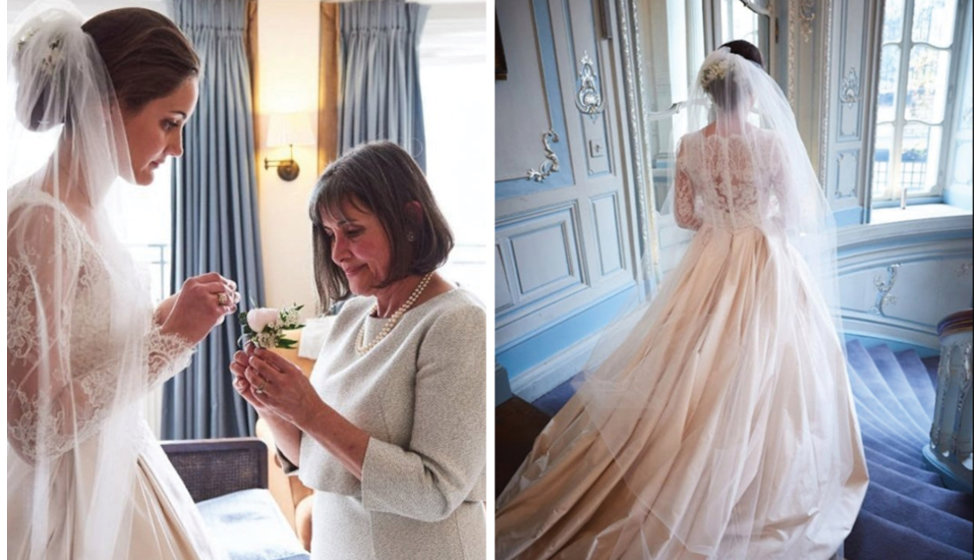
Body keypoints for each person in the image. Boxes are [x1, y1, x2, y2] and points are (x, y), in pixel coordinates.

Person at [495, 41, 869, 559]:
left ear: (710, 90)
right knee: (770, 362)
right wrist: (761, 224)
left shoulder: (690, 143)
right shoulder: (772, 145)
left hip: (710, 258)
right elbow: (798, 214)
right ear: (755, 87)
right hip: (764, 259)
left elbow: (685, 218)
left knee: (687, 356)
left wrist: (722, 221)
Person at [7, 4, 239, 559]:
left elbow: (89, 351)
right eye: (170, 122)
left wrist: (169, 316)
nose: (178, 149)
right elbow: (36, 429)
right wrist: (172, 340)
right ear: (108, 108)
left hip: (119, 468)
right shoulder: (39, 221)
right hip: (71, 504)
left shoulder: (89, 213)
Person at [230, 141, 486, 559]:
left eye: (352, 232)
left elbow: (436, 493)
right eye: (330, 234)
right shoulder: (351, 317)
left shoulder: (456, 321)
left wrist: (310, 409)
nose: (336, 253)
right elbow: (314, 459)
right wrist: (271, 405)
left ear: (409, 220)